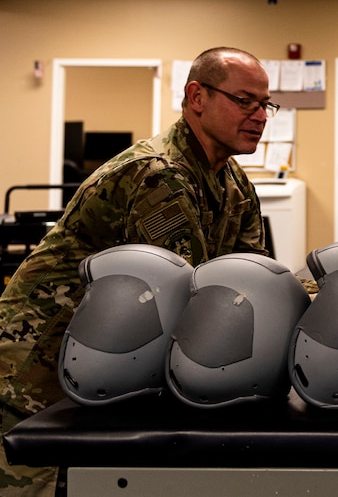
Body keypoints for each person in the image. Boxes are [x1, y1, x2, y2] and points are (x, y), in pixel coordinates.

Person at [0, 47, 279, 495]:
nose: (260, 115)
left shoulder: (231, 179)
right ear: (197, 96)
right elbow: (197, 298)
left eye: (266, 104)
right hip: (40, 357)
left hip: (108, 355)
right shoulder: (158, 174)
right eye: (245, 101)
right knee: (36, 485)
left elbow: (251, 277)